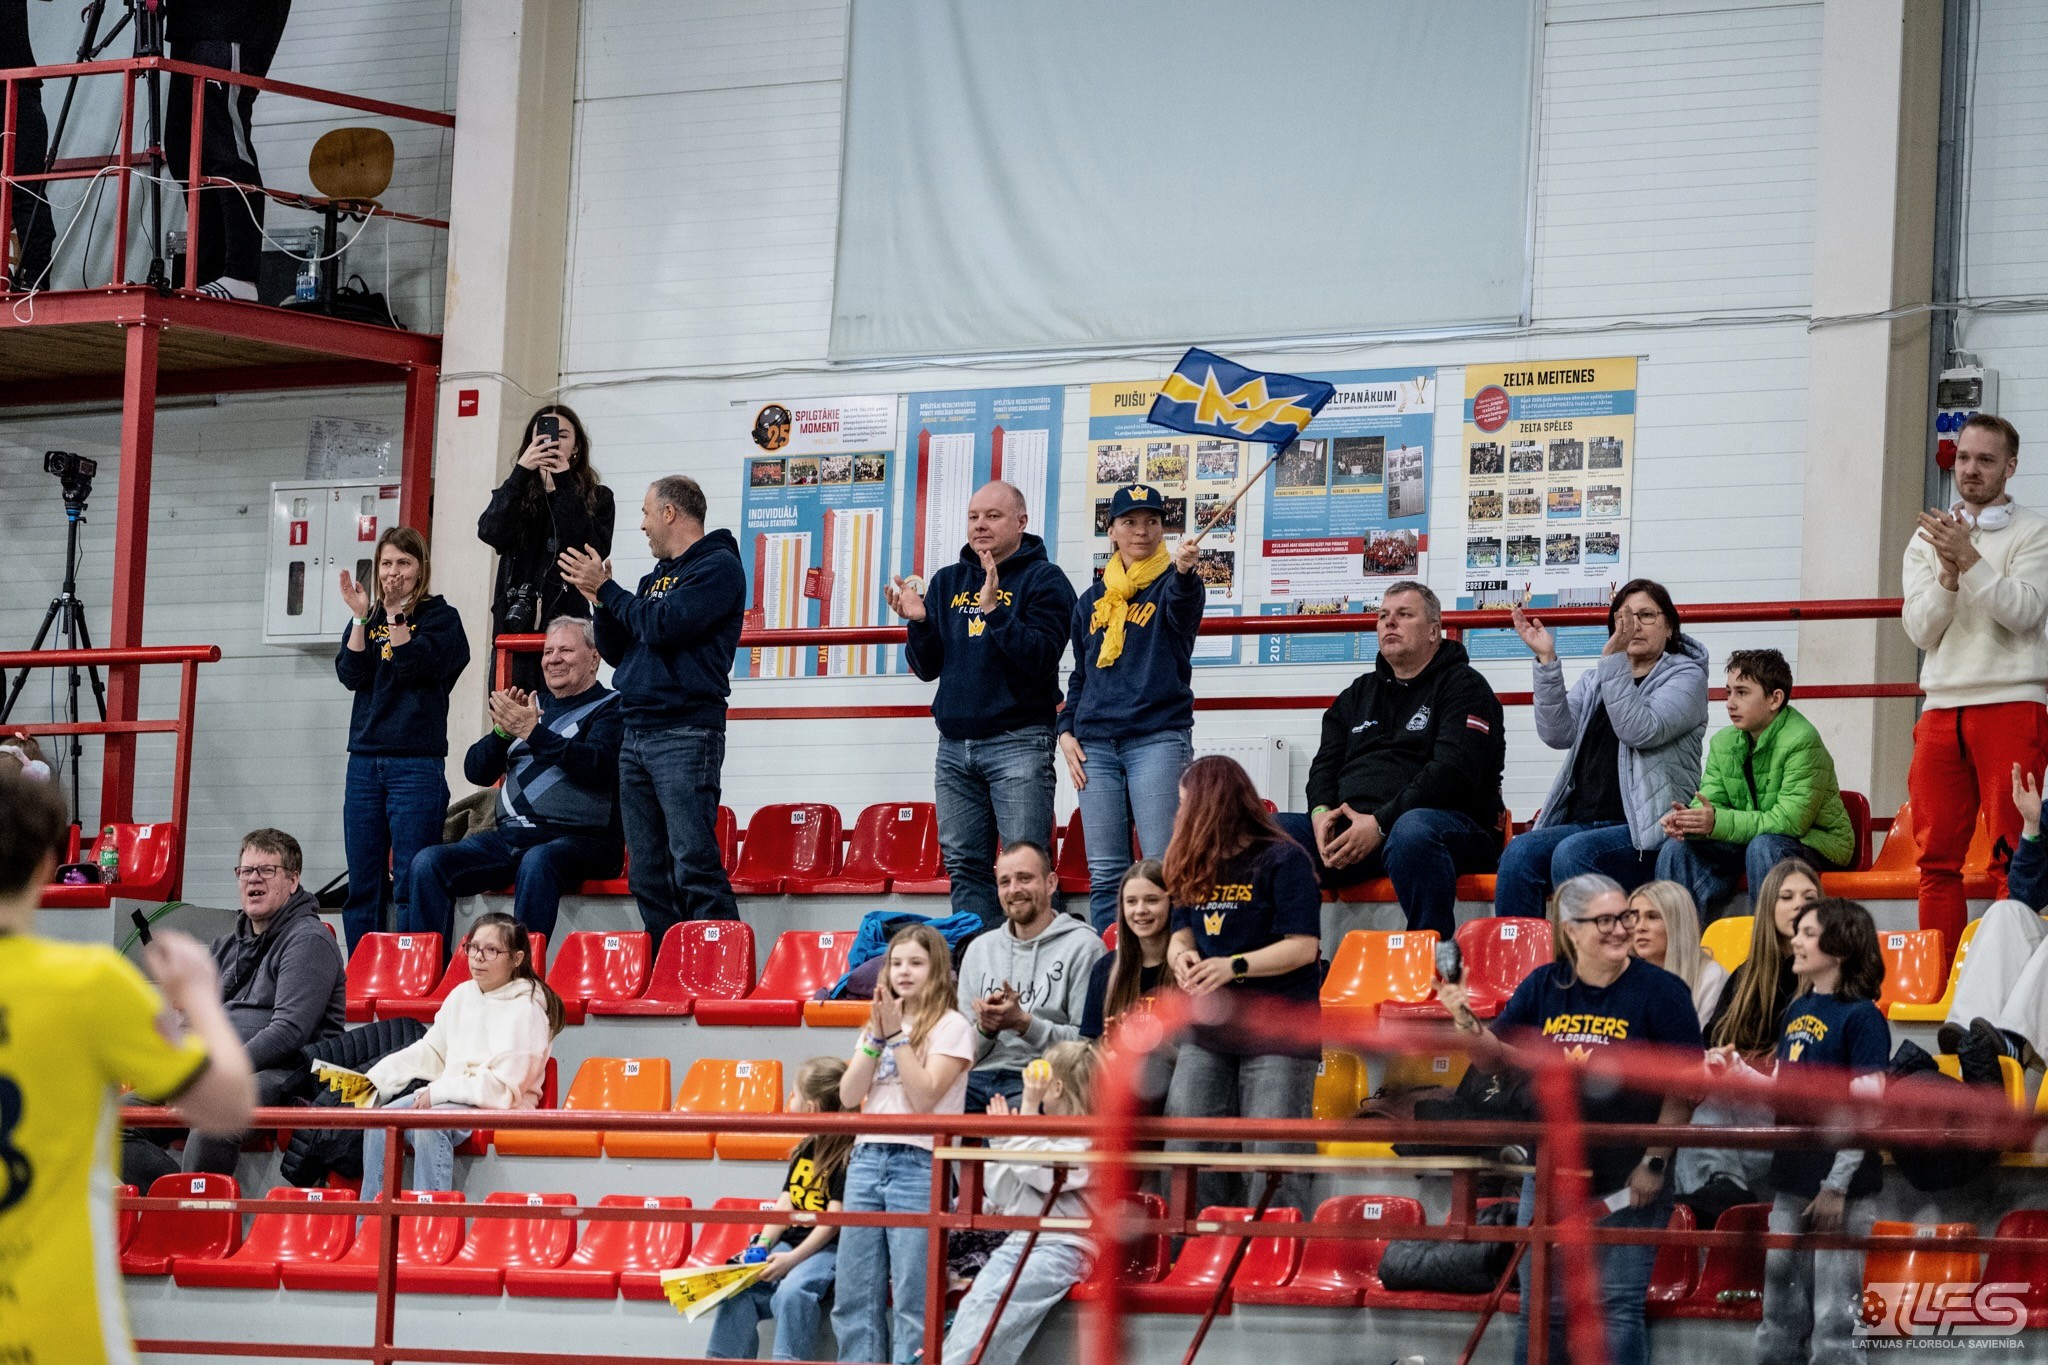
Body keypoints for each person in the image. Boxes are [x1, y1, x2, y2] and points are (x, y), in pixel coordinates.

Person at [0, 765, 256, 1365]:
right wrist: (200, 996)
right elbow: (228, 1106)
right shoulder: (91, 983)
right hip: (57, 1331)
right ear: (47, 865)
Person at [1438, 873, 1702, 1365]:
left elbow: (1686, 1087)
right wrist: (1462, 1016)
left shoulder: (1663, 992)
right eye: (1606, 920)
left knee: (1616, 1307)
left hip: (1630, 1177)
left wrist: (1655, 1162)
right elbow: (1491, 1059)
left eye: (1625, 917)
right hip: (1551, 1172)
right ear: (1571, 930)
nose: (1621, 929)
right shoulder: (1545, 985)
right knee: (1544, 1309)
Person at [561, 475, 746, 934]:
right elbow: (618, 651)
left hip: (685, 733)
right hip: (637, 732)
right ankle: (668, 964)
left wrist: (609, 591)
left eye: (646, 513)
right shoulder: (653, 579)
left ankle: (719, 965)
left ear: (669, 512)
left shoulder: (719, 568)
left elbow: (664, 624)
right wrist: (600, 602)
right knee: (647, 873)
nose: (642, 525)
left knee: (694, 864)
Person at [893, 481, 1076, 927]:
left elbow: (1040, 658)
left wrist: (995, 612)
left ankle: (1035, 958)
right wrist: (919, 623)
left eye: (993, 516)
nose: (980, 525)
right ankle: (978, 960)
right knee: (965, 866)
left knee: (1026, 865)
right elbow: (927, 668)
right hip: (955, 748)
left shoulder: (1045, 580)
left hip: (1019, 743)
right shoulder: (948, 581)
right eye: (974, 516)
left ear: (1021, 522)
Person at [1278, 580, 1507, 937]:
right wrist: (1321, 814)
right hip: (1357, 832)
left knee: (1411, 831)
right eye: (1383, 615)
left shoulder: (1465, 686)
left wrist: (1380, 823)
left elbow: (1453, 773)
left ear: (1433, 631)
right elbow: (1324, 766)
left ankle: (1431, 956)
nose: (1389, 622)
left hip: (1447, 828)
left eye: (1404, 614)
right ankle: (1296, 956)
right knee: (1263, 833)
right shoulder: (1357, 693)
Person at [1715, 899, 1889, 1365]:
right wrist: (1736, 1072)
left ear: (1842, 947)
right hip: (1792, 1180)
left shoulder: (1863, 1018)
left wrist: (1836, 1185)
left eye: (1808, 933)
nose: (1795, 941)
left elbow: (1866, 1109)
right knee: (1779, 1311)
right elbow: (1783, 1090)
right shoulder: (1797, 1009)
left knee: (1835, 1319)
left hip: (1843, 1190)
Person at [1903, 412, 2048, 953]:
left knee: (2014, 854)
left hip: (2012, 702)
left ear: (2011, 467)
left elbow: (2025, 613)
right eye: (1963, 457)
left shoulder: (2034, 531)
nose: (1970, 469)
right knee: (1935, 861)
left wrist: (1969, 558)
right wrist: (1946, 576)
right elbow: (1920, 630)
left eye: (1986, 460)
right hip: (1941, 708)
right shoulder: (1927, 538)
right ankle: (1938, 983)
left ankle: (2009, 981)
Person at [1162, 756, 1323, 1215]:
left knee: (1273, 1163)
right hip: (1210, 1029)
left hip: (1279, 1030)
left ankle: (1271, 1258)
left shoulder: (1284, 859)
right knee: (1186, 1152)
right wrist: (1181, 957)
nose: (1178, 814)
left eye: (1184, 804)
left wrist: (1233, 966)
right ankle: (1194, 1253)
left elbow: (1303, 947)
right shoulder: (1193, 859)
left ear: (1209, 806)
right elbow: (1180, 933)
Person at [1494, 580, 1709, 918]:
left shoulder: (1686, 678)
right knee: (1519, 853)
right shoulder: (1595, 680)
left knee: (1572, 854)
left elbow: (1639, 730)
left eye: (1646, 615)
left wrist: (1612, 661)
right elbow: (1557, 734)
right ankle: (1522, 952)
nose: (1633, 625)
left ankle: (1591, 951)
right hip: (1584, 823)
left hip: (1646, 832)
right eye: (1624, 617)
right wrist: (1547, 661)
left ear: (1669, 627)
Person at [406, 616, 623, 947]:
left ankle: (520, 970)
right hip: (511, 838)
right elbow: (475, 770)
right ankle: (431, 971)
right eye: (548, 651)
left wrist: (533, 733)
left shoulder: (611, 707)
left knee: (538, 861)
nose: (554, 659)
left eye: (565, 650)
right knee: (428, 863)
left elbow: (597, 766)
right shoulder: (528, 708)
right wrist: (502, 733)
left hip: (582, 840)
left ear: (594, 658)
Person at [1058, 483, 1204, 929]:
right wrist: (1065, 729)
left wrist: (1184, 573)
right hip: (1094, 747)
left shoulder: (1174, 584)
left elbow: (1184, 612)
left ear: (1163, 530)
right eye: (1130, 521)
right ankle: (1112, 960)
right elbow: (1082, 674)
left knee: (1162, 868)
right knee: (1106, 874)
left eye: (1152, 521)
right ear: (1112, 531)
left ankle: (1168, 963)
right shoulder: (1092, 601)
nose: (1141, 530)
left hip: (1156, 739)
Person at [834, 924, 975, 1364]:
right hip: (866, 1156)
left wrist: (897, 1038)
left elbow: (925, 1097)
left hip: (920, 1162)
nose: (904, 972)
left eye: (916, 963)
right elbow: (847, 1095)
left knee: (914, 1296)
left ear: (937, 969)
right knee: (854, 1293)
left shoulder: (953, 1026)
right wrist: (877, 1038)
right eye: (896, 963)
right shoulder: (877, 1025)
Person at [178, 828, 346, 1175]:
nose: (253, 879)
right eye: (246, 871)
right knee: (123, 1116)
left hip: (287, 1072)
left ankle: (195, 1206)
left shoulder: (308, 940)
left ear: (293, 881)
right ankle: (172, 1196)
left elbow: (288, 1031)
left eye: (267, 870)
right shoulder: (225, 945)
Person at [359, 914, 562, 1200]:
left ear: (517, 959)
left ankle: (430, 1222)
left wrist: (439, 1092)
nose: (478, 957)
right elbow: (430, 1051)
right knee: (381, 1121)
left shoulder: (527, 1011)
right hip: (452, 1096)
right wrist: (373, 1083)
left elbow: (502, 1089)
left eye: (491, 950)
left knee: (429, 1124)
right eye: (473, 947)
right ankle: (371, 1220)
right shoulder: (461, 995)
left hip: (501, 1107)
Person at [336, 526, 471, 950]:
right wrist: (361, 617)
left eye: (404, 563)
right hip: (364, 760)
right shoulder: (370, 617)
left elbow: (412, 667)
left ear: (421, 568)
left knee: (412, 877)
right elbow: (350, 674)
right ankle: (363, 969)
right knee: (363, 879)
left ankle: (414, 969)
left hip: (415, 762)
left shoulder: (441, 619)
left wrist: (396, 615)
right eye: (386, 563)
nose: (393, 572)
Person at [1656, 649, 1854, 921]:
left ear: (1775, 699)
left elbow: (1790, 823)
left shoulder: (1802, 741)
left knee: (1764, 847)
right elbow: (1712, 803)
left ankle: (1768, 944)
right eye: (1728, 692)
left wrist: (1716, 822)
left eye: (1742, 693)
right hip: (1752, 840)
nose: (1730, 703)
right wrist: (1689, 822)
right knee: (1677, 849)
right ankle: (1678, 942)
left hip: (1816, 843)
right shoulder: (1723, 742)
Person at [940, 1041, 1098, 1365]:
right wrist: (1002, 1140)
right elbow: (1007, 1192)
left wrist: (1027, 1110)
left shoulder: (1093, 1141)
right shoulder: (1042, 1136)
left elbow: (1041, 1173)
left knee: (992, 1313)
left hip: (1062, 1248)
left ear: (1056, 1087)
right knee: (974, 1306)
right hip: (1019, 1241)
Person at [705, 1056, 852, 1360]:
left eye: (794, 1094)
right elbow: (785, 1202)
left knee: (791, 1292)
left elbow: (832, 1222)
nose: (790, 1100)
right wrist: (761, 1244)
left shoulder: (846, 1154)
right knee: (738, 1285)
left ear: (811, 1108)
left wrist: (792, 1259)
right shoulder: (806, 1147)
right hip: (789, 1243)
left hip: (826, 1249)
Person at [956, 842, 1105, 1113]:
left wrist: (1024, 1024)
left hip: (1046, 1081)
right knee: (919, 1106)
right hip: (976, 1078)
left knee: (1013, 1128)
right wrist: (986, 1028)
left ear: (1050, 883)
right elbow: (960, 1051)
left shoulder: (1085, 947)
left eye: (1024, 878)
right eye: (1005, 882)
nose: (1014, 890)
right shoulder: (979, 949)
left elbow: (1086, 1048)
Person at [479, 405, 616, 693]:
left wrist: (563, 481)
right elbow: (490, 532)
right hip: (515, 625)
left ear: (576, 447)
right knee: (511, 713)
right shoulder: (515, 493)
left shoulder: (598, 497)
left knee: (563, 711)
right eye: (541, 436)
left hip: (568, 628)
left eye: (562, 436)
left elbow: (587, 548)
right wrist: (520, 472)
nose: (552, 442)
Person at [164, 0, 294, 299]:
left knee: (225, 144)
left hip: (230, 24)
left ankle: (240, 275)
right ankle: (208, 275)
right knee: (185, 149)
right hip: (191, 27)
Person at [1706, 857, 1820, 1051]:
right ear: (1769, 906)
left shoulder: (1831, 977)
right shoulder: (1744, 975)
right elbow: (1714, 1039)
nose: (1800, 905)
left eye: (1809, 898)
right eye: (1786, 897)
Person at [1080, 859, 1173, 1041]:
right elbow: (1093, 1046)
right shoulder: (1104, 969)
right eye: (1131, 902)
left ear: (1172, 903)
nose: (1140, 910)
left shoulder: (1190, 966)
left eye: (1152, 900)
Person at [0, 3, 54, 290]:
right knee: (26, 189)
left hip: (17, 85)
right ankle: (32, 277)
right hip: (17, 83)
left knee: (25, 188)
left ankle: (35, 279)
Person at [1629, 879, 1727, 1027]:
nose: (1639, 927)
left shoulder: (1712, 977)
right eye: (1633, 917)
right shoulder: (1625, 978)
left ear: (1678, 923)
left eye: (1652, 917)